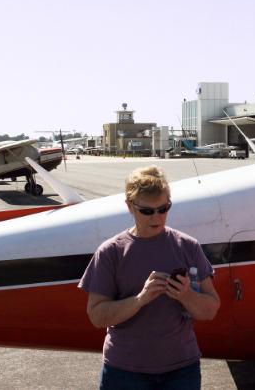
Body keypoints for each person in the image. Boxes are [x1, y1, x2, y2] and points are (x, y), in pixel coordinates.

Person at [79, 165, 220, 390]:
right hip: (125, 371)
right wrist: (140, 299)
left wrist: (186, 295)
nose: (157, 217)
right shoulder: (111, 252)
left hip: (181, 370)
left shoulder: (188, 247)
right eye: (147, 211)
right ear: (129, 206)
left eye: (163, 209)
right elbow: (97, 316)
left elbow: (211, 309)